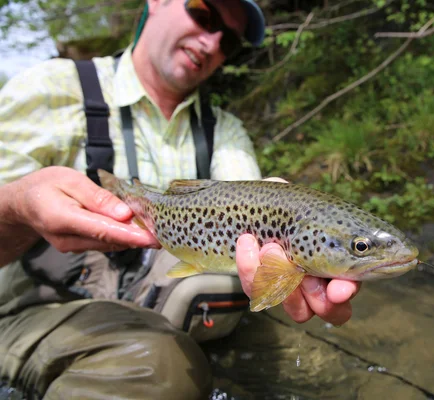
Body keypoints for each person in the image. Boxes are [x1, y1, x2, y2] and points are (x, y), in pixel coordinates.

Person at [0, 0, 360, 398]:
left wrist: (287, 219)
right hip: (39, 310)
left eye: (229, 40)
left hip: (172, 312)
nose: (211, 42)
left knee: (325, 377)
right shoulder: (50, 90)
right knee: (158, 365)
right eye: (204, 14)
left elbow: (251, 199)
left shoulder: (224, 130)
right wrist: (15, 208)